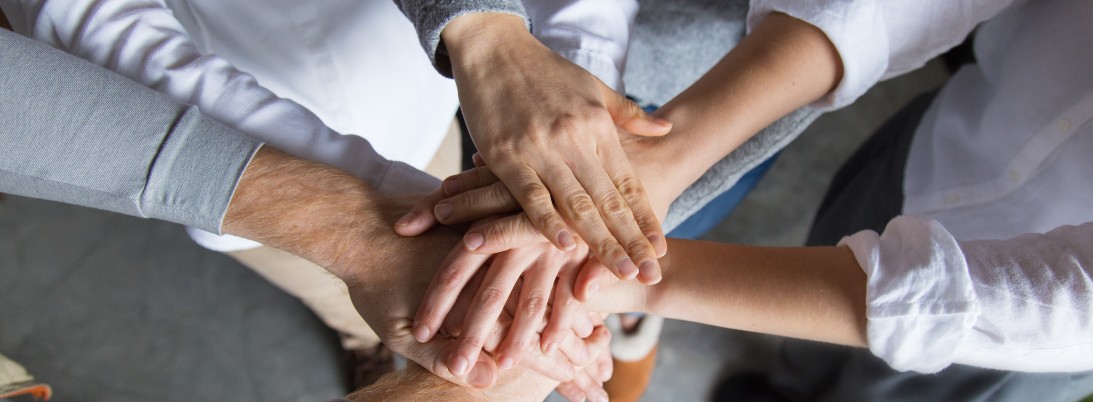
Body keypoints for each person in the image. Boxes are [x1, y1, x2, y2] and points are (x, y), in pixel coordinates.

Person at [408, 0, 1093, 400]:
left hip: (1011, 350)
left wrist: (622, 277)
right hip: (948, 143)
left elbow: (1060, 305)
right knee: (806, 330)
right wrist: (657, 158)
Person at [0, 27, 610, 398]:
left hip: (412, 106)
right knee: (336, 285)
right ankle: (360, 336)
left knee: (453, 259)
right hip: (199, 130)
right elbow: (93, 26)